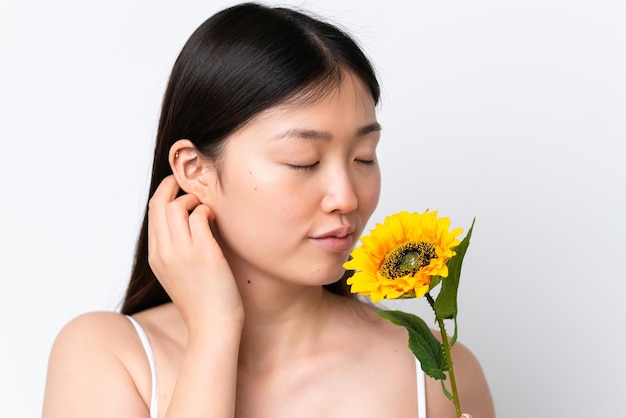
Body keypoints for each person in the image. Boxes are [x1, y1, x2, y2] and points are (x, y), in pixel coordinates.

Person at [42, 3, 495, 417]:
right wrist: (215, 331)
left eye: (364, 157)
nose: (346, 197)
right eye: (304, 162)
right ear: (195, 170)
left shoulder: (436, 373)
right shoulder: (107, 356)